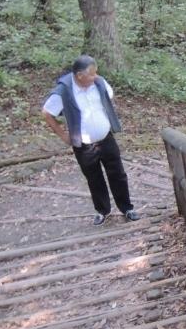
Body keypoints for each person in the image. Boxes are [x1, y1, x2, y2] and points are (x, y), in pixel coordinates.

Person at [42, 55, 141, 226]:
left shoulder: (99, 82)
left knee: (118, 174)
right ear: (79, 75)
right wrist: (64, 136)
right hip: (84, 145)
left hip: (106, 138)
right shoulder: (64, 91)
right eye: (92, 74)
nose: (96, 76)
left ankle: (126, 208)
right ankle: (102, 210)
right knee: (94, 178)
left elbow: (109, 96)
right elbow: (47, 113)